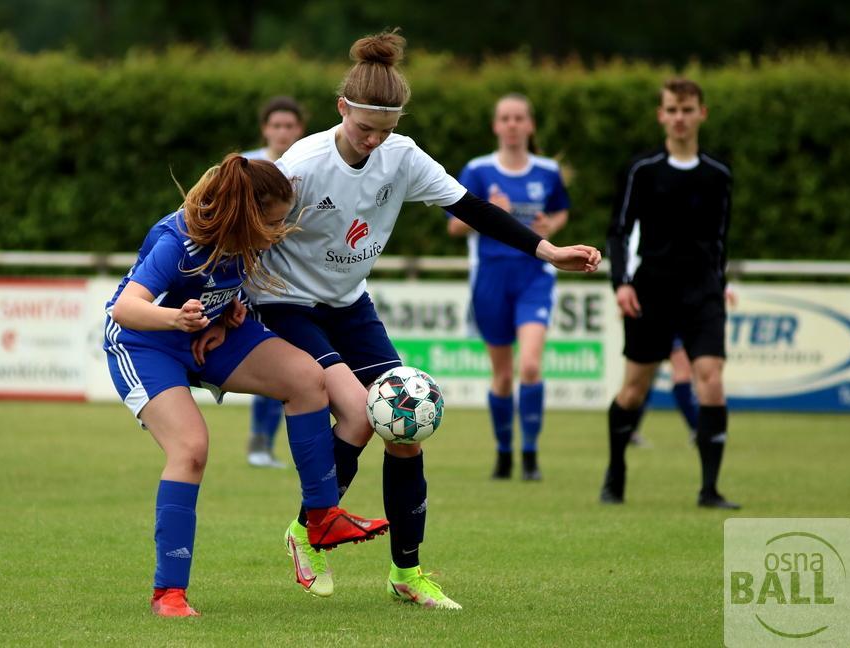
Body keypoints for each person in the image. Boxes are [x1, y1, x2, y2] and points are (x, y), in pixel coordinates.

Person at [247, 30, 600, 609]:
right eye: (365, 127)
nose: (373, 140)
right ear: (343, 107)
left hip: (349, 304)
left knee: (406, 425)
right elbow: (252, 230)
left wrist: (549, 251)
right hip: (287, 302)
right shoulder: (303, 165)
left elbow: (473, 208)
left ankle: (406, 574)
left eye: (385, 129)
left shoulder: (402, 156)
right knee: (363, 415)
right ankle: (308, 534)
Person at [103, 153, 389, 617]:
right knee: (191, 449)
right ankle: (168, 593)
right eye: (272, 223)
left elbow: (228, 281)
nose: (276, 232)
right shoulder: (177, 240)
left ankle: (321, 517)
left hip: (205, 334)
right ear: (246, 214)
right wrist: (176, 318)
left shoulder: (246, 236)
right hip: (147, 342)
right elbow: (125, 308)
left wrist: (230, 308)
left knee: (307, 378)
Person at [601, 78, 739, 509]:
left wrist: (721, 284)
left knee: (711, 381)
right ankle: (616, 471)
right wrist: (621, 283)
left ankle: (709, 489)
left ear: (702, 113)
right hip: (650, 294)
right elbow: (619, 233)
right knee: (633, 391)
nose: (680, 118)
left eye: (688, 109)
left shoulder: (719, 175)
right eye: (672, 110)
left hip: (702, 295)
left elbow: (720, 239)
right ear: (662, 115)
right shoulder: (642, 171)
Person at [447, 93, 570, 481]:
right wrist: (489, 211)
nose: (513, 124)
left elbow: (560, 211)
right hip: (491, 279)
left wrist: (553, 226)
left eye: (520, 118)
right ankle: (504, 454)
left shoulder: (547, 171)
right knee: (502, 375)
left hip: (534, 277)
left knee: (530, 365)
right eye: (506, 118)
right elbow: (454, 225)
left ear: (530, 125)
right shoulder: (478, 171)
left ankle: (530, 456)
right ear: (496, 126)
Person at [241, 96, 307, 469]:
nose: (283, 132)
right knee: (270, 363)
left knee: (288, 366)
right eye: (276, 125)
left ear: (299, 130)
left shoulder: (305, 167)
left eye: (289, 126)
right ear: (265, 129)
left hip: (291, 284)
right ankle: (259, 444)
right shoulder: (248, 166)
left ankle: (264, 445)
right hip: (246, 282)